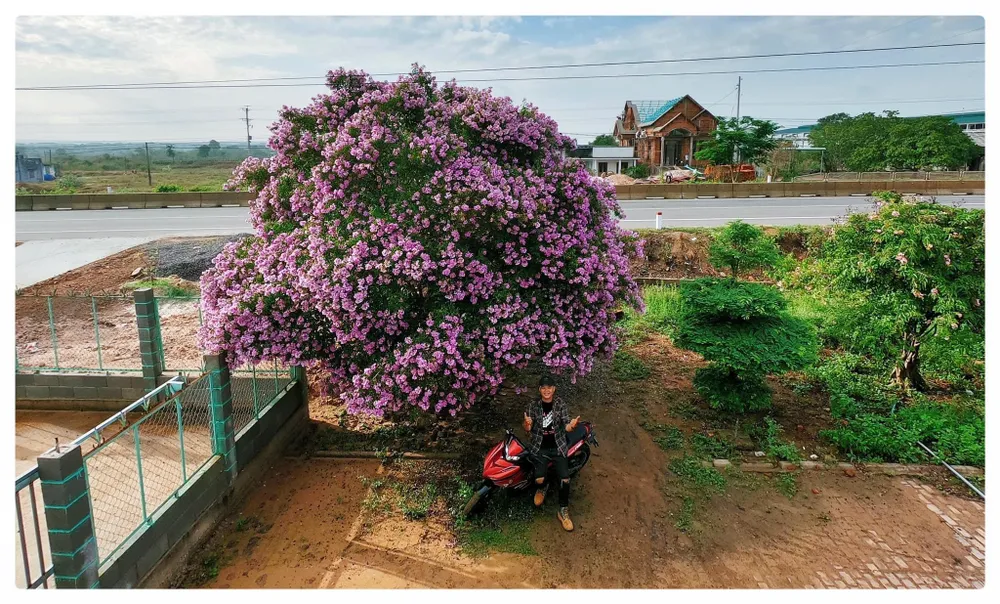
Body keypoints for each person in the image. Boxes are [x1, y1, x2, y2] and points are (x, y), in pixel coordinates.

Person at [523, 375, 580, 531]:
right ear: (540, 390)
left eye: (549, 387)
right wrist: (527, 424)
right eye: (543, 388)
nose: (546, 390)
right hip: (539, 446)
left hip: (558, 446)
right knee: (539, 479)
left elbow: (566, 426)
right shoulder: (533, 406)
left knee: (565, 480)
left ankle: (563, 510)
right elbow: (527, 428)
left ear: (554, 389)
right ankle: (544, 486)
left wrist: (572, 425)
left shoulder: (560, 404)